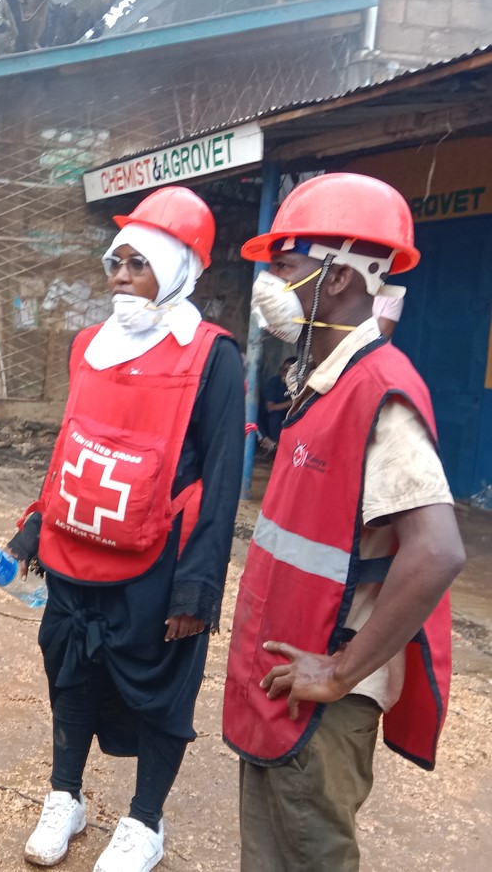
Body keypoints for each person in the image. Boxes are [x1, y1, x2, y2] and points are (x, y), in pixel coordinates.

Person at [224, 172, 464, 872]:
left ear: (334, 279)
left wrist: (339, 672)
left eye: (285, 264)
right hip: (287, 683)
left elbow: (438, 549)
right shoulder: (321, 381)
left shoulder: (378, 391)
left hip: (323, 702)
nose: (270, 281)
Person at [10, 187, 244, 871]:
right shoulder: (90, 345)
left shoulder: (213, 357)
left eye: (136, 263)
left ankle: (146, 821)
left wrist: (197, 587)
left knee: (161, 689)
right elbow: (70, 444)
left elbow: (225, 476)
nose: (118, 275)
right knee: (70, 674)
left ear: (173, 270)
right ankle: (66, 796)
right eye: (114, 262)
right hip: (76, 551)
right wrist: (34, 526)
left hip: (159, 560)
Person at [257, 356, 296, 452]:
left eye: (288, 371)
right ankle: (275, 446)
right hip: (272, 421)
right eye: (283, 370)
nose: (284, 373)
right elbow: (271, 407)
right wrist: (292, 403)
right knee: (274, 416)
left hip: (290, 420)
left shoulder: (298, 384)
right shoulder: (275, 382)